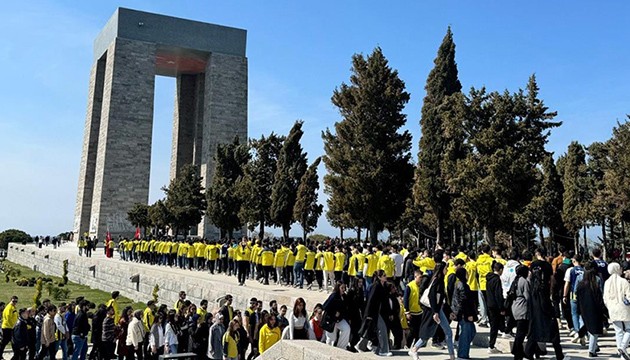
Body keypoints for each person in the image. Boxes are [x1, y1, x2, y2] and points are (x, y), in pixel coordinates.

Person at [356, 270, 390, 355]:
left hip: (378, 312)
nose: (386, 276)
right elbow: (370, 301)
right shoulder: (376, 286)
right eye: (384, 275)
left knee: (371, 330)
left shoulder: (383, 286)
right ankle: (383, 350)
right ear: (379, 277)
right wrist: (368, 314)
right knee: (382, 330)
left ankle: (360, 345)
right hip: (373, 312)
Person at [576, 263, 605, 357]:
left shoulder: (580, 284)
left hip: (583, 308)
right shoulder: (596, 283)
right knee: (594, 331)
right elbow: (600, 298)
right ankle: (591, 350)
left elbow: (577, 297)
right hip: (594, 309)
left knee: (588, 327)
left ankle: (591, 343)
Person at [604, 262, 630, 359]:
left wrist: (609, 307)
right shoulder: (624, 281)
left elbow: (605, 298)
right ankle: (623, 348)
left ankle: (621, 354)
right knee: (628, 329)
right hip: (624, 309)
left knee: (618, 331)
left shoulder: (607, 282)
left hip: (612, 309)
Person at [450, 267, 477, 360]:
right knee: (466, 334)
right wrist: (468, 314)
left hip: (462, 313)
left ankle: (462, 352)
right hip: (464, 314)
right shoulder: (462, 285)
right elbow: (464, 302)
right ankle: (462, 354)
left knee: (471, 331)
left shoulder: (460, 284)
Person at [322, 282, 351, 350]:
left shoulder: (344, 297)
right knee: (331, 338)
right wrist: (334, 312)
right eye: (342, 288)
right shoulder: (334, 296)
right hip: (331, 320)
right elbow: (325, 307)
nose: (343, 289)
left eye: (344, 288)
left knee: (346, 328)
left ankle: (341, 347)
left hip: (339, 319)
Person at [486, 261, 505, 354]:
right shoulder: (497, 279)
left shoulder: (489, 278)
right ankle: (491, 345)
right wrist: (501, 307)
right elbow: (498, 294)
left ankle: (504, 330)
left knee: (494, 324)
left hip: (489, 304)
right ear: (500, 270)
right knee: (494, 326)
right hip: (495, 305)